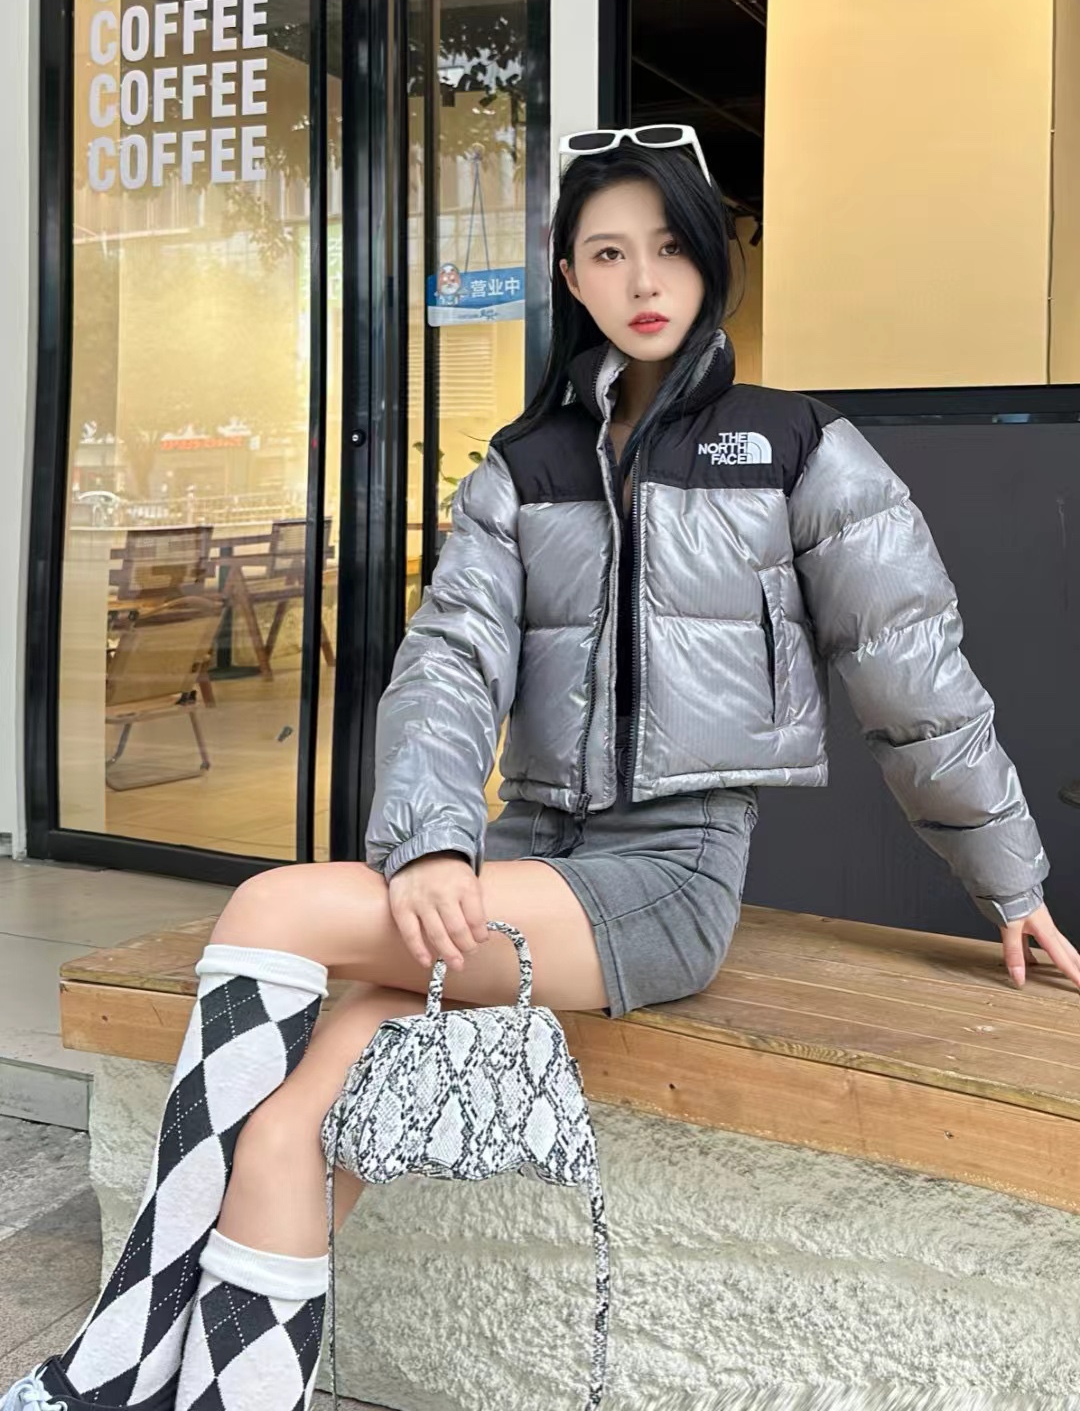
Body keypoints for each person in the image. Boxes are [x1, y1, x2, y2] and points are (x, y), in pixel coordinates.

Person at [6, 125, 1076, 1411]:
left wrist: (1010, 880)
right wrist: (435, 843)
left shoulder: (794, 444)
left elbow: (914, 678)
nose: (644, 281)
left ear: (712, 261)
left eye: (669, 248)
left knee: (275, 906)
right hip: (517, 863)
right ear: (570, 276)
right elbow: (449, 667)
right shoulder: (524, 468)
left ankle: (110, 1368)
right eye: (608, 254)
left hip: (665, 881)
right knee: (290, 1132)